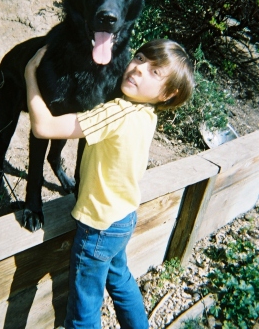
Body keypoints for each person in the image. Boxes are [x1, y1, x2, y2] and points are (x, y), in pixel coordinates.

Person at [25, 39, 194, 329]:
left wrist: (30, 73)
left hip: (98, 227)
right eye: (140, 58)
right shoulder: (146, 114)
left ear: (168, 93)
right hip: (123, 219)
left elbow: (43, 127)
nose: (139, 69)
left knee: (83, 313)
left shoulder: (116, 112)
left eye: (155, 72)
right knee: (121, 282)